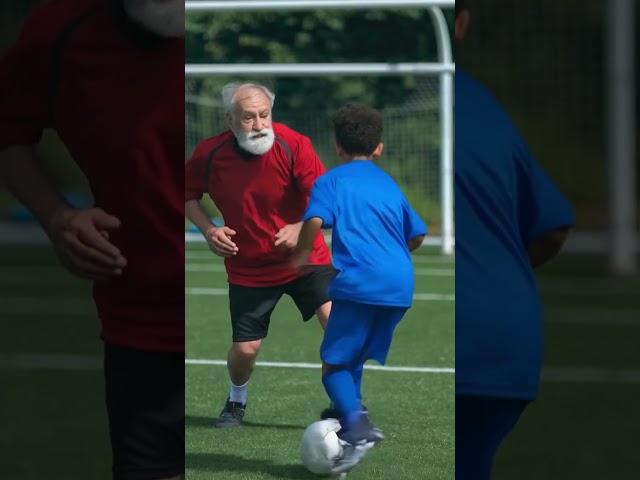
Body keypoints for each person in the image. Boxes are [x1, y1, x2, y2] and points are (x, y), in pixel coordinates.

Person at [0, 1, 185, 479]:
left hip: (260, 303)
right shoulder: (61, 30)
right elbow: (8, 131)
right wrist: (56, 215)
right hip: (141, 319)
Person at [455, 2, 575, 479]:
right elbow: (552, 226)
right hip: (505, 343)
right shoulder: (482, 103)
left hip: (433, 344)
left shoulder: (367, 108)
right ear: (462, 23)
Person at [184, 81, 342, 429]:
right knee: (246, 351)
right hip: (249, 268)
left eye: (264, 115)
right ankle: (236, 402)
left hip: (306, 258)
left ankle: (342, 402)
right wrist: (209, 229)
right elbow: (187, 195)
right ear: (230, 120)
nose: (258, 125)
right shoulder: (209, 154)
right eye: (248, 118)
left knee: (338, 323)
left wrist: (302, 227)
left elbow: (328, 201)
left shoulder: (294, 144)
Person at [293, 102, 427, 475]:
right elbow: (415, 234)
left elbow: (316, 218)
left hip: (360, 282)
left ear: (337, 147)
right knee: (351, 356)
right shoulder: (389, 182)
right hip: (400, 285)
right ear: (379, 148)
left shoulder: (331, 180)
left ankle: (358, 426)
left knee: (332, 363)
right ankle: (348, 413)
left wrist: (303, 252)